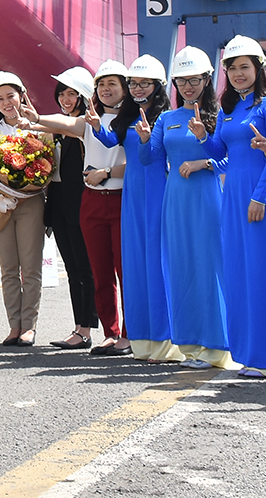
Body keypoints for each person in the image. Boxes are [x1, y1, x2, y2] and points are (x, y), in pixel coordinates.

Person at [202, 36, 266, 378]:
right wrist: (200, 136)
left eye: (244, 67)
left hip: (258, 196)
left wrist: (260, 195)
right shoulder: (228, 108)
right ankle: (251, 353)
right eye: (232, 68)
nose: (238, 74)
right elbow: (218, 153)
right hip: (232, 197)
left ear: (259, 68)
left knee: (265, 272)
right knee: (240, 273)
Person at [34, 65, 130, 356]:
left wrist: (105, 172)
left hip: (123, 197)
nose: (106, 89)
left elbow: (142, 162)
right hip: (92, 200)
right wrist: (32, 118)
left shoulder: (134, 119)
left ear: (125, 87)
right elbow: (62, 124)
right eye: (101, 84)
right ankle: (110, 332)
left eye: (112, 84)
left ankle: (129, 333)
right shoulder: (89, 122)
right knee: (99, 271)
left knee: (124, 271)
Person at [157, 48, 229, 368]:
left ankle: (216, 347)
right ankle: (189, 346)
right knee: (182, 267)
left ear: (207, 79)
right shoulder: (165, 119)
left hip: (208, 198)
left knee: (209, 268)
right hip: (175, 201)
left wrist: (206, 161)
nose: (188, 86)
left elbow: (231, 159)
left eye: (194, 80)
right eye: (181, 81)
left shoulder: (221, 116)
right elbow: (149, 159)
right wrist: (144, 141)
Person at [114, 55, 178, 363]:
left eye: (144, 83)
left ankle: (166, 341)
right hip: (133, 195)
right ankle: (142, 341)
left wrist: (147, 139)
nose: (138, 88)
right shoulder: (126, 115)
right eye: (134, 83)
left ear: (158, 86)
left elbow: (152, 157)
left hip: (157, 191)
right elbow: (107, 139)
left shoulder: (165, 116)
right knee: (136, 264)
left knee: (158, 263)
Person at [0, 72, 51, 346]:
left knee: (31, 267)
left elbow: (49, 163)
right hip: (0, 202)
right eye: (0, 98)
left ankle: (29, 326)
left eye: (10, 95)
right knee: (8, 268)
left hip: (30, 203)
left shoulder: (38, 128)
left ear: (22, 95)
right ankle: (14, 325)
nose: (6, 102)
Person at [42, 68, 100, 350]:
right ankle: (80, 326)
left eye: (71, 93)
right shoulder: (60, 127)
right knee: (72, 267)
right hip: (59, 201)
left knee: (84, 267)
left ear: (84, 95)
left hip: (80, 200)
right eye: (62, 93)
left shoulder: (81, 124)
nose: (65, 98)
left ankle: (86, 328)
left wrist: (28, 121)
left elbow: (60, 125)